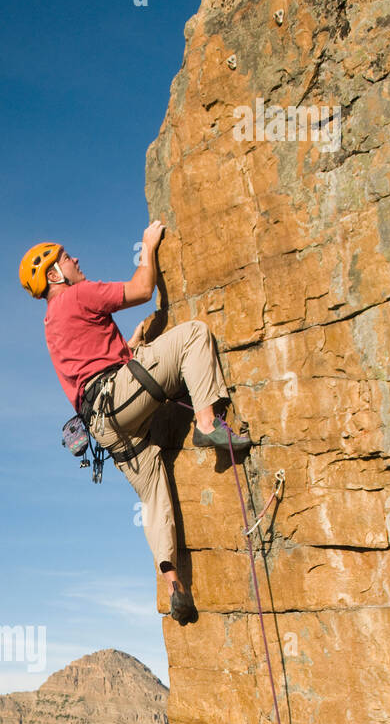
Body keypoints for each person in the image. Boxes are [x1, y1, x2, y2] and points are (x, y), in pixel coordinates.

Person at [19, 229, 253, 624]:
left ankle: (173, 582)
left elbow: (93, 361)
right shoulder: (78, 294)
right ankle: (208, 422)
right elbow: (143, 289)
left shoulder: (51, 324)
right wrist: (147, 245)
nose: (76, 259)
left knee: (153, 491)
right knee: (194, 334)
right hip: (119, 396)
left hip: (103, 425)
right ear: (56, 275)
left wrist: (133, 343)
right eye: (67, 257)